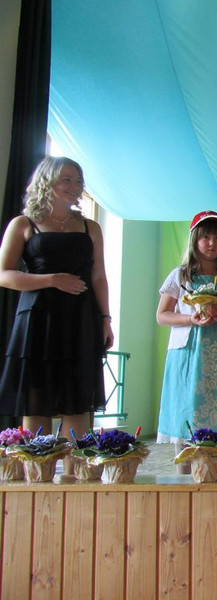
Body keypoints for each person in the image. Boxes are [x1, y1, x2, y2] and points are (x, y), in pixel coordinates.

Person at [0, 156, 113, 437]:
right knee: (36, 400)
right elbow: (3, 274)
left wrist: (106, 319)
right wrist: (52, 280)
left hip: (80, 318)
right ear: (46, 181)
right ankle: (37, 464)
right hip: (38, 319)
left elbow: (99, 277)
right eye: (67, 179)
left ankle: (74, 465)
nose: (74, 186)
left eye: (78, 181)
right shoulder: (23, 224)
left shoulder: (90, 227)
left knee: (78, 401)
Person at [155, 211, 217, 465]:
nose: (212, 243)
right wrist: (191, 319)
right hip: (186, 357)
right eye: (206, 237)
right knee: (185, 417)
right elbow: (162, 315)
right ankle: (184, 475)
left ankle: (212, 474)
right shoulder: (179, 276)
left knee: (216, 423)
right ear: (195, 240)